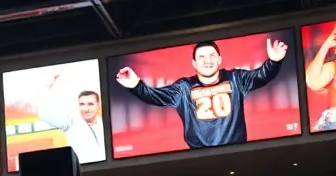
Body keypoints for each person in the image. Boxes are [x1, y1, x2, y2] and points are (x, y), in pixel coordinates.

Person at [115, 38, 290, 148]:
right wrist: (135, 85)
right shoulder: (184, 88)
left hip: (237, 154)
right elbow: (154, 96)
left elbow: (261, 76)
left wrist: (274, 62)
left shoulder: (236, 79)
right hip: (199, 159)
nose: (208, 61)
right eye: (202, 57)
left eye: (212, 56)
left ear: (220, 59)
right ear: (194, 63)